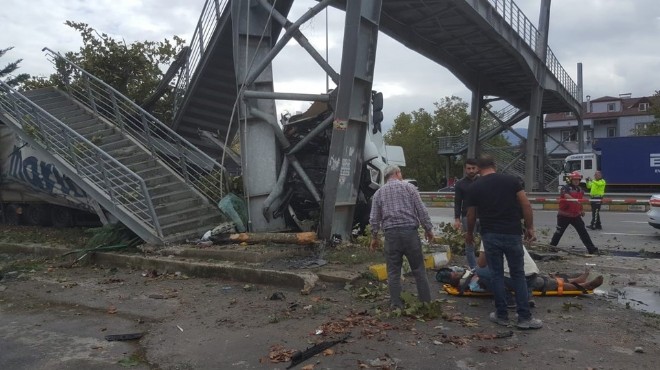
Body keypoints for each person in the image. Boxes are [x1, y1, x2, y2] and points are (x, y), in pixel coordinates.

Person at [465, 154, 542, 329]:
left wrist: (469, 233)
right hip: (512, 233)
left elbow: (471, 215)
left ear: (478, 168)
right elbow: (526, 205)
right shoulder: (511, 181)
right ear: (495, 165)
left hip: (490, 235)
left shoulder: (474, 187)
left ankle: (501, 315)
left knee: (497, 275)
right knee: (518, 274)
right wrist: (530, 227)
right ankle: (524, 318)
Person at [369, 165, 434, 309]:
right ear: (397, 173)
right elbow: (421, 210)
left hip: (391, 235)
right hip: (410, 233)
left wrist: (374, 237)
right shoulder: (409, 188)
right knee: (418, 269)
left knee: (393, 271)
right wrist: (428, 229)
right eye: (400, 173)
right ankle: (425, 303)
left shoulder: (379, 193)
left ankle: (396, 304)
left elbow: (374, 218)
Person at [550, 171, 599, 254]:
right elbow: (566, 196)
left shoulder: (580, 189)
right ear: (571, 180)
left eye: (578, 179)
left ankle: (591, 249)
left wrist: (581, 209)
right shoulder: (565, 188)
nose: (576, 181)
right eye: (574, 179)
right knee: (559, 232)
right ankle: (551, 247)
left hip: (575, 215)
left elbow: (580, 201)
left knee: (583, 232)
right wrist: (574, 200)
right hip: (564, 215)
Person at [453, 158, 479, 269]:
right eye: (469, 168)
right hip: (467, 217)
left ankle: (486, 268)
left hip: (484, 216)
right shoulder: (460, 184)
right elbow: (458, 202)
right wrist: (457, 219)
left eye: (473, 168)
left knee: (488, 243)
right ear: (465, 169)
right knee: (469, 244)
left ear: (477, 168)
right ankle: (474, 269)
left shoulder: (483, 181)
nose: (471, 170)